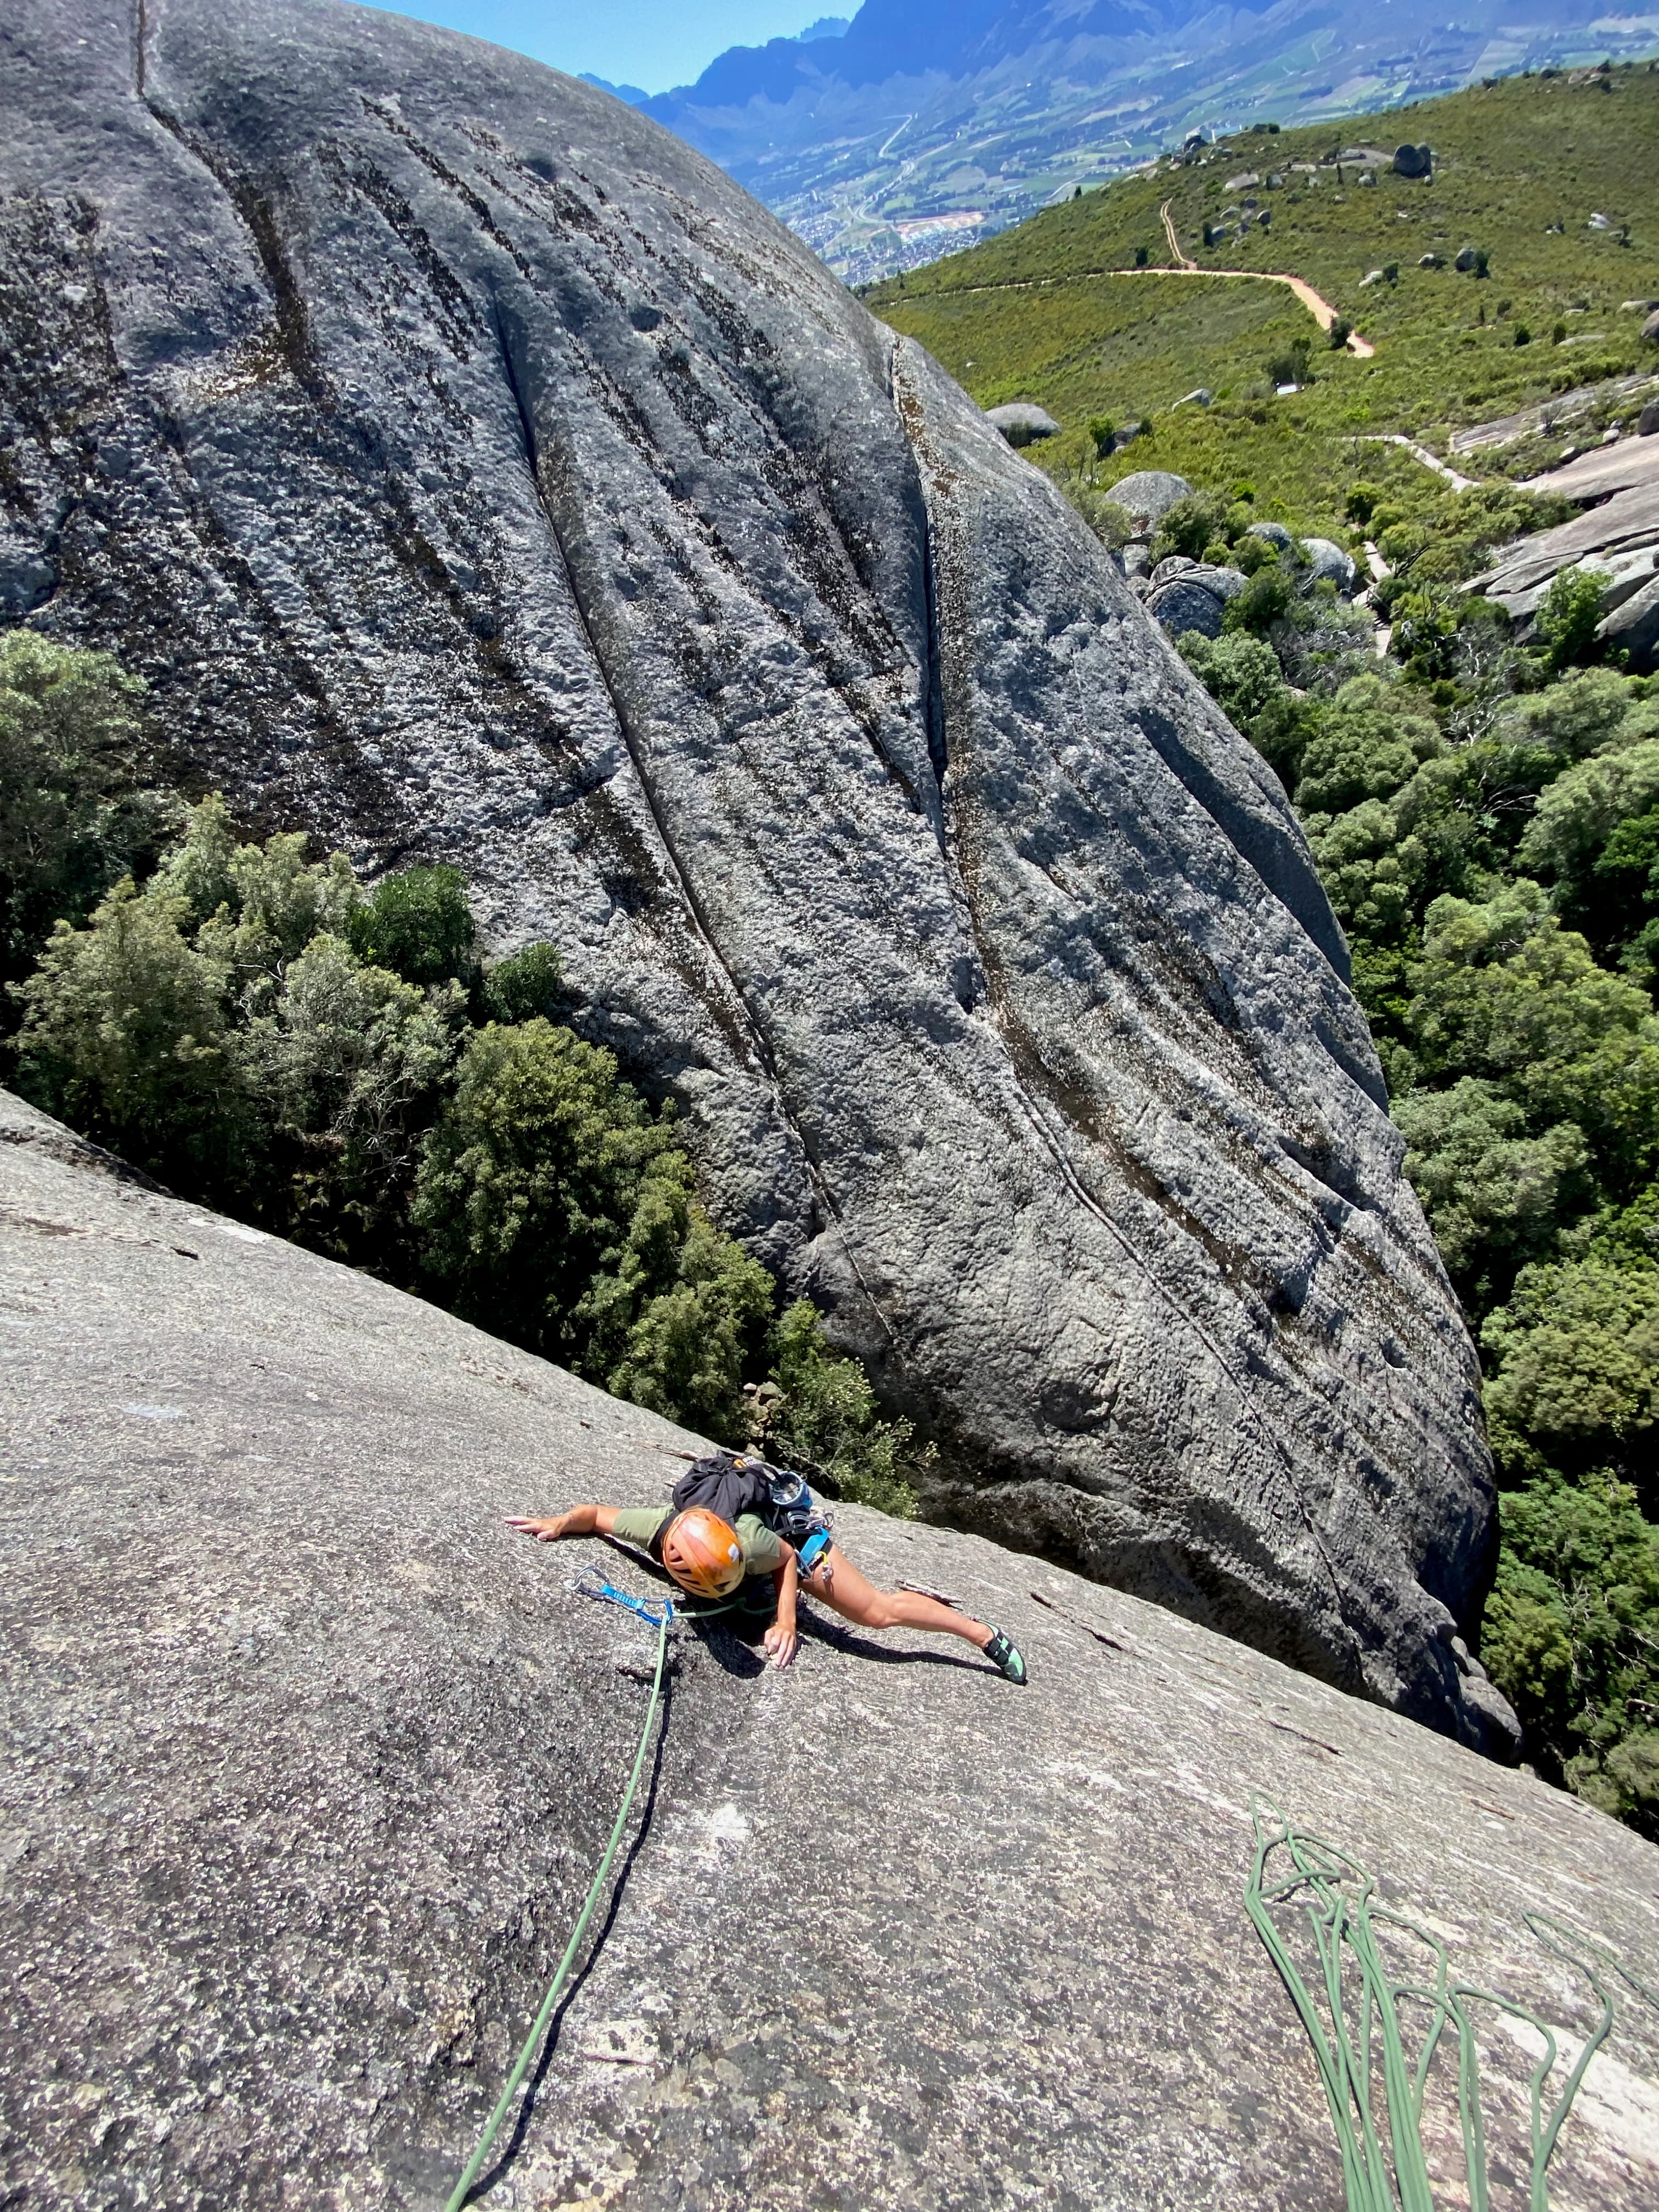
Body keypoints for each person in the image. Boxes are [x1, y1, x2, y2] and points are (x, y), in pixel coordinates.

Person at [507, 1470, 1028, 1683]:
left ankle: (980, 1633)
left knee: (876, 1613)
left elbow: (782, 1560)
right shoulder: (663, 1531)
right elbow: (596, 1515)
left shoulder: (753, 1544)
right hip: (742, 1549)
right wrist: (559, 1523)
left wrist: (787, 1621)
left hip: (791, 1543)